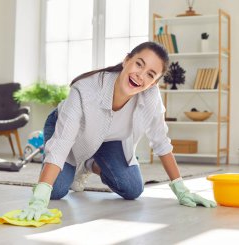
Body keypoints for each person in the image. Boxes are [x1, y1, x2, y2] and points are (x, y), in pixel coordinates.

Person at [17, 41, 217, 221]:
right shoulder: (85, 89)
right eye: (139, 64)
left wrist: (180, 188)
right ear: (126, 60)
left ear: (154, 82)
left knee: (132, 189)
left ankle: (88, 164)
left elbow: (161, 141)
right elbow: (62, 142)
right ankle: (72, 165)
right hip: (70, 131)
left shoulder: (150, 97)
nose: (140, 75)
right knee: (57, 191)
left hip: (110, 139)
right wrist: (40, 196)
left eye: (150, 74)